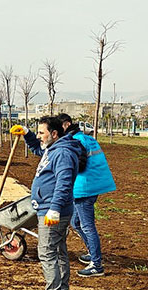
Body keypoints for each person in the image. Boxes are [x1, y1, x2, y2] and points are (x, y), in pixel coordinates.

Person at [13, 117, 81, 290]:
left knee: (47, 253)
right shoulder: (53, 149)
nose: (39, 136)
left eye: (42, 132)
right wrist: (27, 134)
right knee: (58, 251)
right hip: (50, 208)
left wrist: (54, 208)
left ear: (54, 134)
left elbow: (64, 182)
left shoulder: (63, 153)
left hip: (52, 211)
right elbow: (38, 149)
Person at [58, 113, 116, 277]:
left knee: (87, 225)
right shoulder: (86, 138)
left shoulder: (76, 141)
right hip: (93, 184)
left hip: (84, 188)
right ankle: (93, 253)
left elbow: (79, 166)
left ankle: (96, 265)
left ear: (67, 124)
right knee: (75, 222)